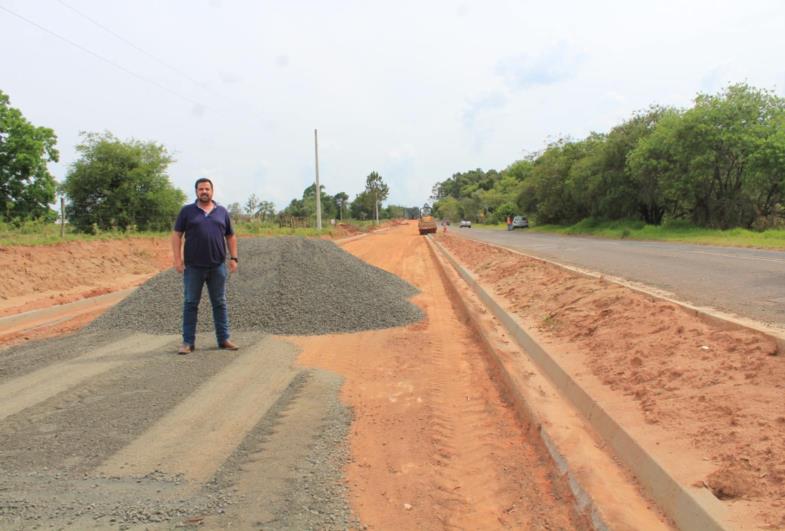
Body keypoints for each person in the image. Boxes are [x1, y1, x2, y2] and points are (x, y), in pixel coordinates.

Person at [171, 178, 239, 354]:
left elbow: (230, 236)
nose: (204, 192)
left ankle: (223, 339)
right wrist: (177, 260)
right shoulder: (187, 212)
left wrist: (234, 258)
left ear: (212, 191)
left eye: (207, 189)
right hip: (193, 267)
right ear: (196, 192)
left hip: (217, 266)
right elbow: (177, 235)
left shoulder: (222, 212)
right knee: (190, 303)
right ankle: (188, 343)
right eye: (201, 189)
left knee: (219, 303)